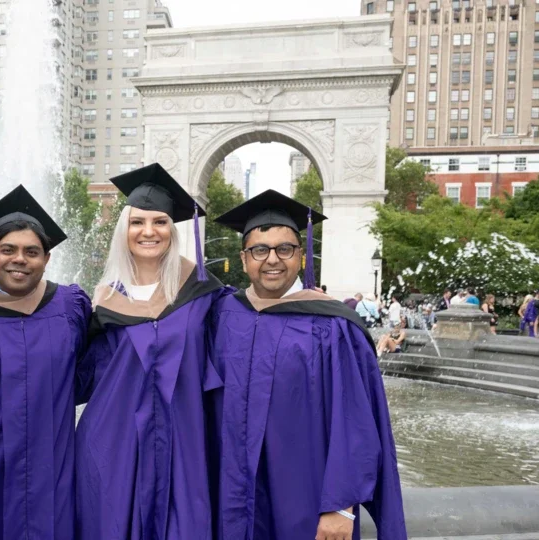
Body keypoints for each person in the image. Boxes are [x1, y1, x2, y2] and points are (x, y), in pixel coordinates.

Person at [209, 190, 406, 540]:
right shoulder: (224, 316)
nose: (272, 259)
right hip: (234, 492)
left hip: (308, 494)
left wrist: (342, 505)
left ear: (301, 256)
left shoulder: (332, 325)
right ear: (243, 260)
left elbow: (354, 419)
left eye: (285, 249)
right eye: (260, 250)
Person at [75, 164, 225, 539]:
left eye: (160, 222)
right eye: (137, 222)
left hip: (184, 442)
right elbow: (82, 376)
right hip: (113, 443)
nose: (148, 231)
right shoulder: (105, 300)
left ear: (172, 231)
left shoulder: (203, 292)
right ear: (124, 230)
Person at [0, 185, 91, 539]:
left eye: (32, 251)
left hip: (54, 472)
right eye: (7, 249)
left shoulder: (70, 306)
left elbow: (93, 370)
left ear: (47, 259)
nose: (19, 259)